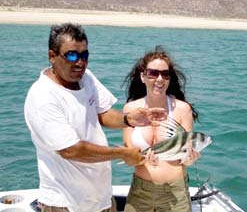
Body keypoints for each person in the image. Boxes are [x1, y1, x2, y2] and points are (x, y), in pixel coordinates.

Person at [24, 23, 167, 212]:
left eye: (84, 55)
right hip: (66, 204)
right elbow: (71, 150)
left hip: (101, 199)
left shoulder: (86, 78)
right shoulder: (43, 97)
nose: (80, 62)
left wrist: (128, 119)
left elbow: (103, 114)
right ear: (52, 56)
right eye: (72, 55)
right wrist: (123, 154)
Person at [122, 46, 200, 212]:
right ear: (143, 76)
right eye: (153, 73)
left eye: (165, 74)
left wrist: (191, 159)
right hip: (140, 192)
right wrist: (140, 159)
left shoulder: (182, 109)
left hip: (174, 193)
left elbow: (185, 157)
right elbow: (129, 157)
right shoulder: (130, 109)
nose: (159, 79)